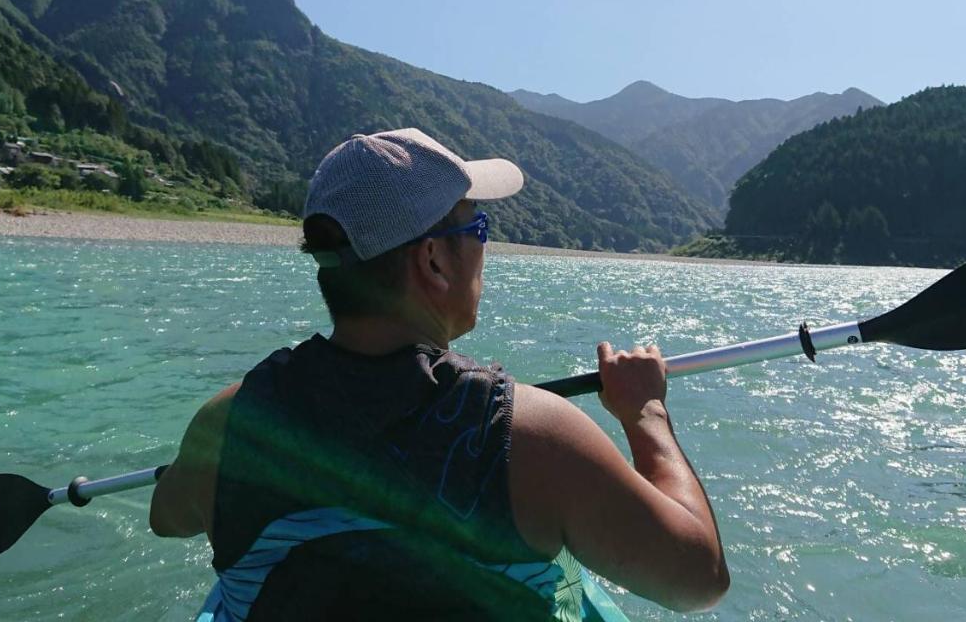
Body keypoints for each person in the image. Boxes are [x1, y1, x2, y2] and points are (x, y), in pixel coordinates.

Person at [150, 128, 729, 621]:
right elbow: (699, 578)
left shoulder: (227, 423)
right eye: (476, 230)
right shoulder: (532, 437)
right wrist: (645, 413)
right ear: (431, 260)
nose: (484, 250)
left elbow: (166, 517)